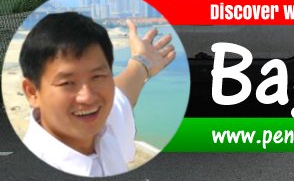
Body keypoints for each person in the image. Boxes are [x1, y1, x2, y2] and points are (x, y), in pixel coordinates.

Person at [18, 13, 176, 177]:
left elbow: (123, 93)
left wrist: (143, 62)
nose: (87, 97)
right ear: (32, 92)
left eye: (97, 76)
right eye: (67, 83)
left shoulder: (102, 125)